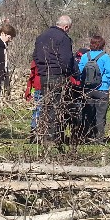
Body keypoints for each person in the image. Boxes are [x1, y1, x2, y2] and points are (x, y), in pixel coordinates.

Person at [33, 15, 75, 144]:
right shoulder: (63, 38)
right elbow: (67, 60)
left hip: (44, 76)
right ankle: (53, 137)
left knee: (46, 106)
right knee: (56, 108)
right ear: (66, 27)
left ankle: (42, 134)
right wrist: (68, 72)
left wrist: (42, 69)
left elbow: (35, 56)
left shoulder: (41, 37)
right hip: (57, 76)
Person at [78, 35, 110, 143]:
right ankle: (99, 139)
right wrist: (105, 83)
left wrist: (84, 84)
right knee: (100, 116)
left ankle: (86, 137)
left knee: (87, 114)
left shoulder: (85, 56)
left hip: (88, 90)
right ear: (102, 45)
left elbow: (80, 71)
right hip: (102, 90)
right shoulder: (105, 57)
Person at [24, 60, 42, 143]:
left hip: (38, 87)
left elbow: (31, 76)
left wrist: (29, 89)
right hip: (42, 87)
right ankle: (35, 134)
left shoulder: (36, 59)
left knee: (37, 111)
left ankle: (34, 133)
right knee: (39, 111)